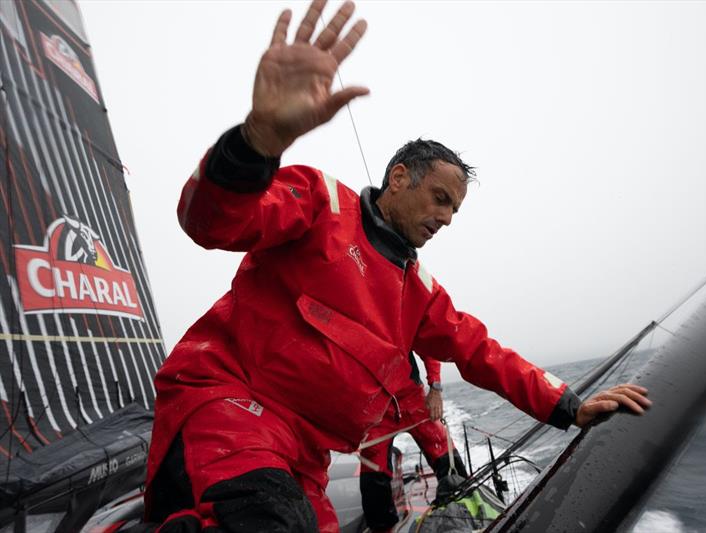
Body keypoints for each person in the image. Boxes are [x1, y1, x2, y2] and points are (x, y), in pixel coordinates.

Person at [144, 1, 652, 531]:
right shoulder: (320, 202)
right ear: (400, 177)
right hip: (228, 401)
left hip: (304, 459)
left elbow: (482, 352)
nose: (446, 218)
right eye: (439, 198)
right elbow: (209, 223)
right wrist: (257, 143)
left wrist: (571, 407)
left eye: (454, 209)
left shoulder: (420, 293)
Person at [359, 353, 467, 532]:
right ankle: (383, 528)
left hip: (413, 399)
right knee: (372, 473)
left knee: (445, 454)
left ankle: (466, 510)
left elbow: (427, 348)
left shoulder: (399, 323)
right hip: (377, 410)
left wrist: (435, 387)